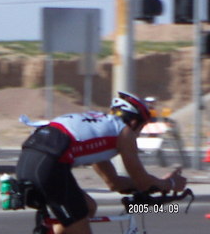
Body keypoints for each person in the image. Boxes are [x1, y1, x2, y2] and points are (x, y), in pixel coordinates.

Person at [16, 91, 186, 234]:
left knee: (88, 207)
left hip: (28, 161)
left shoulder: (100, 127)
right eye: (140, 129)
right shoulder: (125, 133)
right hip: (49, 165)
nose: (138, 134)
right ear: (134, 122)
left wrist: (155, 184)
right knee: (80, 223)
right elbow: (142, 182)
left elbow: (114, 183)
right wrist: (169, 183)